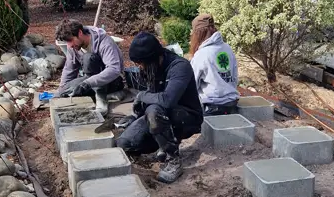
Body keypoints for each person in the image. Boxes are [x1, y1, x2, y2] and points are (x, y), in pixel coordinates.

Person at [116, 31, 203, 184]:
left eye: (141, 63)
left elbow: (167, 100)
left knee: (154, 111)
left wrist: (141, 96)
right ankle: (162, 144)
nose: (140, 67)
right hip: (160, 116)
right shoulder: (152, 68)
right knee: (125, 143)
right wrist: (135, 117)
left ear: (153, 59)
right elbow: (153, 96)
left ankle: (173, 160)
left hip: (186, 117)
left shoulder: (180, 67)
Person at [55, 19, 125, 113]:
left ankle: (101, 99)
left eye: (70, 40)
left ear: (79, 33)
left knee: (88, 58)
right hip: (90, 81)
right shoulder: (73, 47)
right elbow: (69, 69)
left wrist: (87, 83)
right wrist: (62, 90)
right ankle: (98, 93)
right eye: (67, 42)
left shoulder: (104, 42)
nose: (69, 45)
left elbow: (114, 69)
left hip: (113, 81)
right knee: (65, 92)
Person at [190, 13, 239, 116]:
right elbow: (234, 76)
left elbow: (192, 85)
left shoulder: (202, 54)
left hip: (212, 107)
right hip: (232, 103)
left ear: (198, 33)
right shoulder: (227, 48)